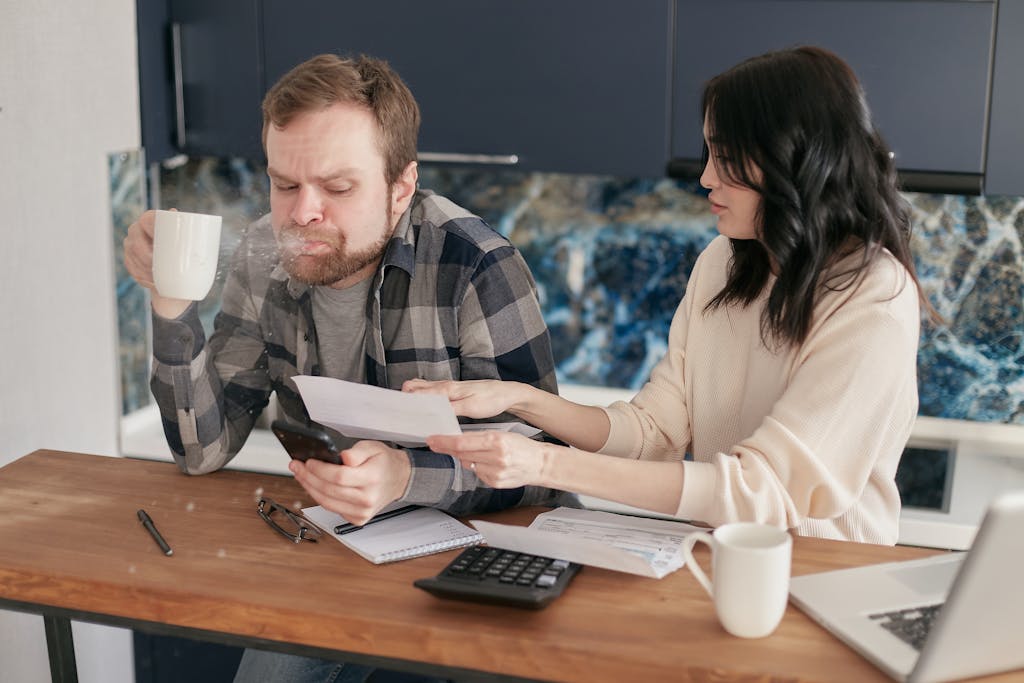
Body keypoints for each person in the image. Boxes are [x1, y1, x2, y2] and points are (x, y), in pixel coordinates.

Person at [124, 53, 571, 682]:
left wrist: (402, 477)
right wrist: (169, 298)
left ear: (402, 188)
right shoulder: (262, 255)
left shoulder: (476, 264)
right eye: (284, 185)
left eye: (337, 189)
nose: (303, 213)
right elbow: (201, 450)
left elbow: (544, 462)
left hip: (483, 550)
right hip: (334, 544)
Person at [407, 46, 929, 546]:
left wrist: (545, 463)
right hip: (722, 558)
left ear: (795, 160)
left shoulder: (873, 298)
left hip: (827, 574)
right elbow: (655, 430)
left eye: (726, 159)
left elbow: (760, 490)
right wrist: (519, 400)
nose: (705, 178)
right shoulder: (724, 262)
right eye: (709, 155)